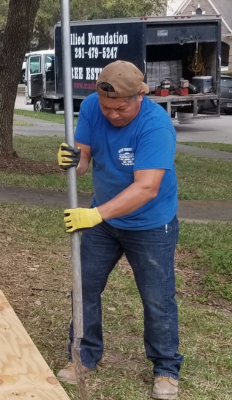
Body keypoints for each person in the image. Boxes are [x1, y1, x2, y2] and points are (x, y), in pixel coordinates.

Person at [56, 60, 182, 400]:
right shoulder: (94, 108)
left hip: (151, 224)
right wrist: (72, 161)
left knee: (157, 299)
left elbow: (146, 188)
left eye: (120, 108)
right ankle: (83, 356)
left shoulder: (156, 126)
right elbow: (84, 160)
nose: (112, 114)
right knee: (84, 288)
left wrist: (95, 214)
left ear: (141, 96)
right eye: (107, 107)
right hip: (105, 221)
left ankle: (166, 368)